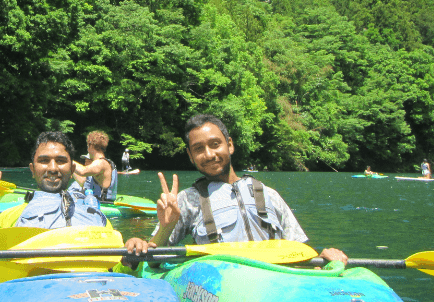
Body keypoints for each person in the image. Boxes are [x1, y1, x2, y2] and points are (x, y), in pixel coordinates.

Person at [127, 114, 347, 265]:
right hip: (226, 291)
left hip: (280, 283)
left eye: (215, 144)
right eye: (198, 149)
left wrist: (324, 258)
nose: (209, 154)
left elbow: (301, 253)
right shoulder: (186, 200)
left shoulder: (269, 194)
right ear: (190, 156)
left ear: (229, 145)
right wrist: (166, 227)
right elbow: (154, 261)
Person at [0, 131, 136, 294]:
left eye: (61, 161)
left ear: (71, 169)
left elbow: (116, 273)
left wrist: (132, 258)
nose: (53, 168)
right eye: (44, 160)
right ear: (32, 169)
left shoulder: (97, 219)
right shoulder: (9, 219)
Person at [71, 130, 118, 202]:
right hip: (99, 201)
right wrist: (71, 169)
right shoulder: (102, 163)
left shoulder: (101, 163)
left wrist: (67, 159)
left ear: (91, 146)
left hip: (102, 204)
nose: (87, 149)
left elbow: (83, 171)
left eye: (88, 146)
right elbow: (83, 181)